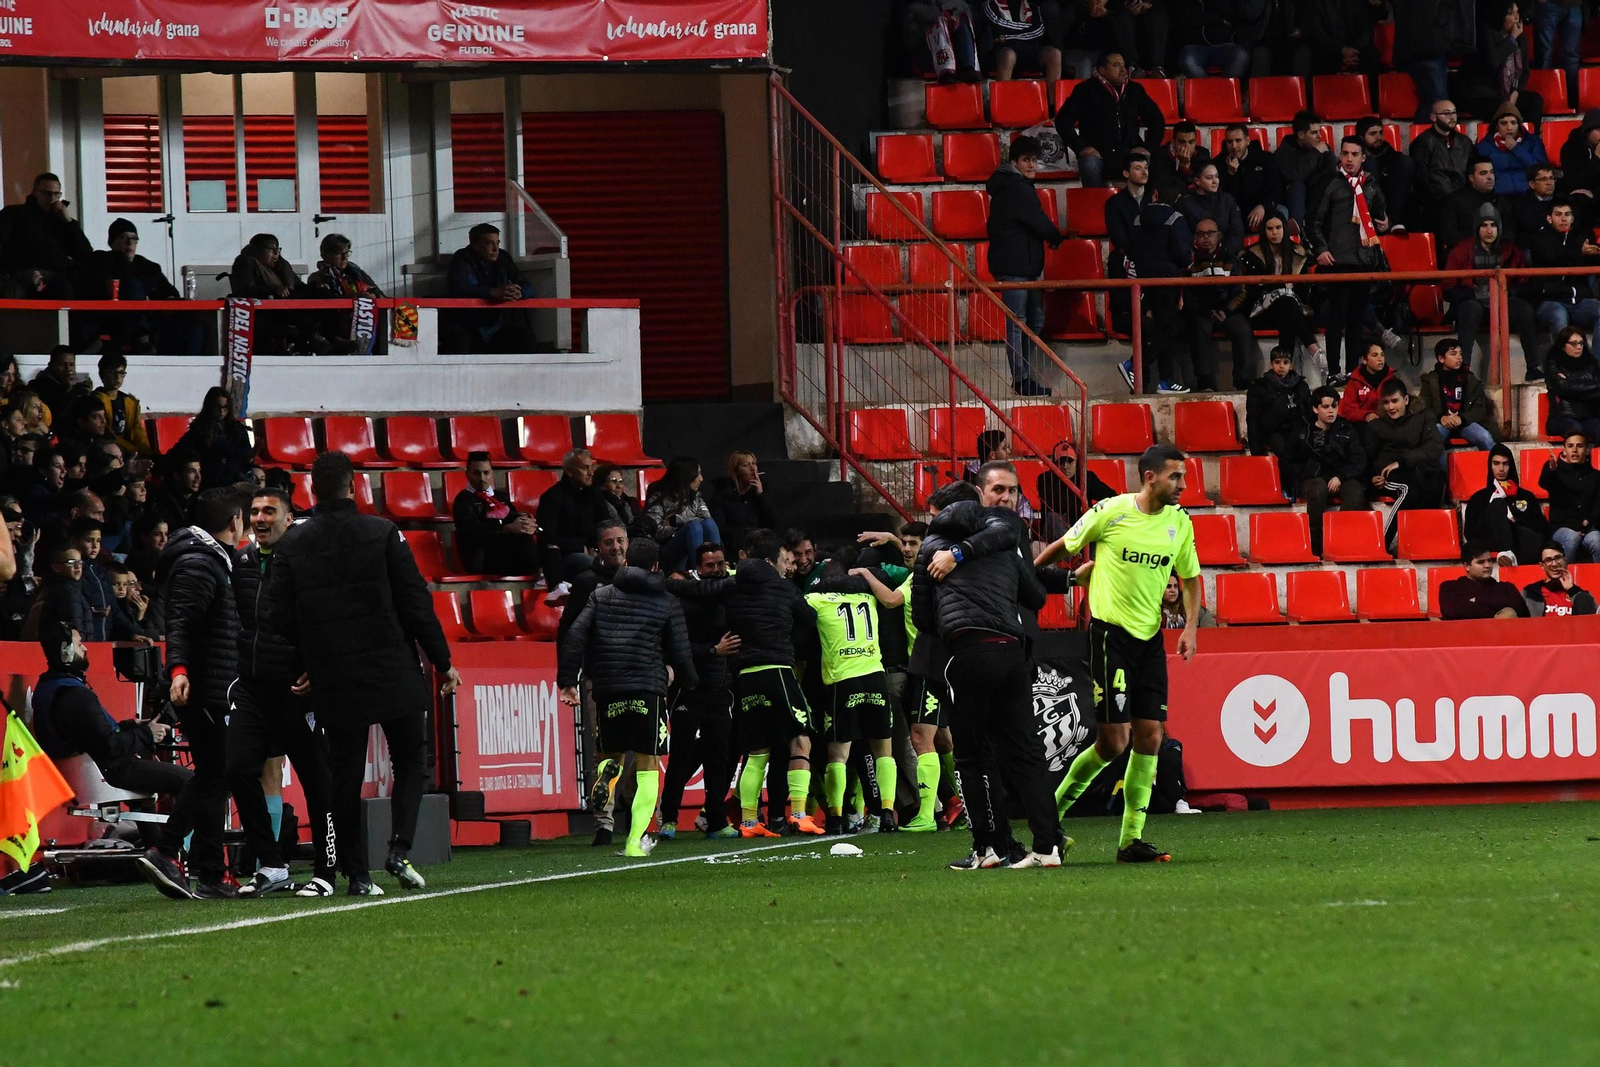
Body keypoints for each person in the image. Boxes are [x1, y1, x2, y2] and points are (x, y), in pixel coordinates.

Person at [267, 452, 461, 895]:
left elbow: (277, 618)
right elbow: (416, 603)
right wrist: (442, 660)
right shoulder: (383, 534)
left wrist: (309, 663)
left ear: (312, 490)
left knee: (346, 774)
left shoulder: (293, 545)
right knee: (411, 760)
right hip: (391, 666)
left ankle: (356, 874)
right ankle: (399, 848)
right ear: (353, 486)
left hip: (335, 676)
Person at [1038, 444, 1199, 864]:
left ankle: (1131, 839)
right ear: (1150, 477)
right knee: (1114, 742)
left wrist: (1192, 628)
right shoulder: (1110, 512)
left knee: (1151, 736)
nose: (1183, 484)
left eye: (1183, 476)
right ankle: (1048, 821)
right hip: (1110, 636)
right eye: (1175, 476)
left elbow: (1192, 578)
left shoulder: (1179, 524)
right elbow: (1063, 546)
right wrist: (1026, 583)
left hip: (1150, 640)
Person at [915, 460, 1060, 868]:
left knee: (973, 755)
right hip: (1013, 652)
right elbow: (1034, 595)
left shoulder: (931, 549)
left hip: (968, 654)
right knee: (1027, 752)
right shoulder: (1003, 544)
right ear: (979, 501)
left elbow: (922, 619)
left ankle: (990, 848)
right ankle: (1048, 847)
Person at [668, 529, 822, 839]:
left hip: (745, 676)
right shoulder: (784, 588)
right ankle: (799, 814)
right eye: (784, 560)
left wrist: (658, 581)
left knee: (756, 750)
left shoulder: (731, 585)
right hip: (777, 668)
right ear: (769, 560)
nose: (788, 566)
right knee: (801, 739)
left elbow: (693, 591)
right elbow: (811, 617)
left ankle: (750, 823)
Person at [227, 486, 339, 898]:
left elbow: (329, 619)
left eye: (270, 511)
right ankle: (272, 865)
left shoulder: (306, 562)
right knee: (237, 767)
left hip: (296, 688)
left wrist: (318, 668)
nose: (260, 518)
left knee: (316, 779)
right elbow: (241, 623)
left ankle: (328, 869)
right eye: (254, 511)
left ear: (288, 518)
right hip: (254, 686)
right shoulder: (241, 562)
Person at [558, 539, 696, 858]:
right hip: (647, 688)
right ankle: (634, 842)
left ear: (625, 563)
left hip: (608, 689)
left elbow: (575, 634)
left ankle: (607, 777)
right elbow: (680, 649)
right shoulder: (665, 600)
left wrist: (568, 680)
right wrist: (690, 681)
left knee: (610, 754)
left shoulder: (600, 595)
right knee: (649, 764)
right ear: (657, 567)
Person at [29, 623, 193, 868]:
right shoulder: (76, 696)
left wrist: (133, 726)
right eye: (78, 644)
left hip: (91, 766)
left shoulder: (49, 687)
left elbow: (94, 734)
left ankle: (154, 847)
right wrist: (148, 734)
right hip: (109, 770)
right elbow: (111, 745)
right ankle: (167, 849)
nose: (85, 648)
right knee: (192, 782)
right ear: (65, 652)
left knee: (149, 781)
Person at [148, 487, 244, 899]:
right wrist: (181, 670)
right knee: (214, 775)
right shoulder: (199, 565)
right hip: (205, 689)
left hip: (212, 685)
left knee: (215, 777)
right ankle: (166, 850)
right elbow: (182, 625)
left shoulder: (210, 561)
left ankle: (209, 871)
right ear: (234, 521)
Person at [803, 557, 907, 834]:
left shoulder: (816, 600)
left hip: (842, 682)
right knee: (884, 752)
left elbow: (792, 608)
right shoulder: (867, 597)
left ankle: (836, 818)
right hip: (875, 677)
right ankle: (886, 813)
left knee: (838, 755)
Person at [655, 541, 739, 841]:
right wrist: (713, 651)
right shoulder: (684, 598)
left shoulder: (730, 594)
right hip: (688, 689)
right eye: (710, 565)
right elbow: (678, 648)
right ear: (697, 568)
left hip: (720, 689)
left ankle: (716, 820)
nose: (716, 570)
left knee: (718, 758)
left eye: (720, 563)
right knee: (681, 756)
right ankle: (669, 819)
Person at [556, 520, 631, 846]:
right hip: (599, 678)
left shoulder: (641, 578)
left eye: (620, 541)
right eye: (608, 542)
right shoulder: (587, 583)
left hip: (640, 675)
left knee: (641, 749)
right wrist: (567, 678)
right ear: (596, 549)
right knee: (605, 750)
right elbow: (569, 632)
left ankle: (632, 808)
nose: (615, 547)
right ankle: (604, 823)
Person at [986, 134, 1065, 396]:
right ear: (1014, 162)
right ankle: (1021, 379)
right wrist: (1055, 237)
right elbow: (1038, 221)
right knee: (1017, 323)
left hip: (1024, 266)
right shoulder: (1017, 188)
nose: (1032, 165)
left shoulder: (1012, 185)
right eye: (1026, 160)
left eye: (1034, 160)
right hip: (1015, 266)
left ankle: (1023, 375)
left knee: (1034, 320)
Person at [1305, 136, 1389, 378]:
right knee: (1336, 320)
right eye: (1345, 154)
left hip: (1363, 263)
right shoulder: (1329, 183)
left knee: (1356, 322)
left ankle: (1353, 371)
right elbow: (1312, 222)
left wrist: (1385, 223)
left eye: (1354, 154)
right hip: (1337, 264)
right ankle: (1333, 372)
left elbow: (1380, 218)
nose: (1349, 158)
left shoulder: (1371, 186)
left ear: (1364, 158)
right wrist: (1321, 249)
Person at [1444, 203, 1541, 381]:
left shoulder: (1511, 250)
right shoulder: (1461, 250)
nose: (1489, 230)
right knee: (1470, 309)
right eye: (1484, 225)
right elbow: (1448, 289)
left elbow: (1526, 284)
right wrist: (1470, 294)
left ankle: (1533, 367)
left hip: (1503, 304)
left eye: (1493, 225)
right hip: (1475, 305)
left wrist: (1510, 292)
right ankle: (1463, 368)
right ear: (1477, 228)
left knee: (1524, 309)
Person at [81, 218, 201, 356]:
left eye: (134, 238)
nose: (129, 243)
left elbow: (170, 294)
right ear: (112, 241)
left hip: (153, 323)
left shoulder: (149, 267)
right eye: (123, 237)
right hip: (114, 322)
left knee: (195, 330)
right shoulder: (101, 260)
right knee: (133, 285)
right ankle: (141, 339)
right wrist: (120, 258)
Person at [1223, 214, 1319, 385]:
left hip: (1289, 311)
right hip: (1259, 312)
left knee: (1287, 314)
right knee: (1286, 304)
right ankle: (1312, 348)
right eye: (1270, 229)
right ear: (1263, 231)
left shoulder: (1298, 253)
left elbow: (1305, 293)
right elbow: (1249, 293)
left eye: (1278, 228)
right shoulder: (1251, 256)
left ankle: (1280, 374)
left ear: (1284, 229)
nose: (1274, 232)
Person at [1116, 186, 1194, 394]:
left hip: (1144, 280)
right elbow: (1182, 256)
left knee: (1162, 329)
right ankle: (1134, 364)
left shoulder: (1138, 218)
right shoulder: (1176, 218)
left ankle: (1166, 380)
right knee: (1169, 328)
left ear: (1155, 193)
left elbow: (1131, 249)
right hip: (1167, 281)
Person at [1053, 51, 1165, 188]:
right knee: (1089, 165)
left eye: (1124, 65)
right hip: (1099, 153)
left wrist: (1148, 147)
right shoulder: (1084, 90)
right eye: (1116, 65)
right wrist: (1080, 147)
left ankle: (1145, 205)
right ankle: (1095, 205)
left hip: (1129, 151)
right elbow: (1063, 121)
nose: (1124, 70)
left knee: (1154, 160)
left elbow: (1157, 119)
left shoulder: (1135, 90)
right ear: (1102, 70)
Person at [1290, 386, 1370, 556]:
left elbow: (1359, 460)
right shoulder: (1304, 431)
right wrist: (1304, 474)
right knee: (1318, 489)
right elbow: (1290, 461)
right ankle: (1316, 547)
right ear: (1315, 409)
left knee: (1356, 492)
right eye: (1325, 407)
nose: (1331, 411)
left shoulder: (1347, 429)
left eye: (1334, 406)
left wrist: (1340, 476)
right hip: (1312, 478)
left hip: (1341, 477)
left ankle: (1339, 541)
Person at [1365, 379, 1445, 547]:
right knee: (1408, 490)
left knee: (1435, 484)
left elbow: (1434, 448)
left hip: (1419, 469)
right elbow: (1368, 457)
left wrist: (1402, 461)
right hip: (1389, 474)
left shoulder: (1424, 417)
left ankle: (1421, 543)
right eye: (1386, 402)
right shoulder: (1376, 425)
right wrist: (1372, 476)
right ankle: (1382, 543)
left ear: (1406, 400)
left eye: (1395, 401)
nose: (1390, 407)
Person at [442, 222, 534, 355]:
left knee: (525, 337)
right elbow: (459, 289)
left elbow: (527, 285)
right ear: (474, 244)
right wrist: (493, 293)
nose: (496, 249)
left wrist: (520, 292)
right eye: (489, 243)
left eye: (498, 242)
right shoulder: (462, 258)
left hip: (495, 327)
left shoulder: (503, 258)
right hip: (467, 326)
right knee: (458, 341)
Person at [0, 173, 92, 298]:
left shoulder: (62, 222)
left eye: (56, 194)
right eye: (47, 193)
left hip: (59, 274)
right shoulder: (14, 215)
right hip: (24, 272)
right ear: (35, 192)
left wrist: (68, 222)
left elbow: (85, 254)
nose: (52, 198)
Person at [451, 451, 539, 575]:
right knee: (524, 541)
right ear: (467, 474)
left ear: (491, 473)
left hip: (506, 552)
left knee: (543, 540)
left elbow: (513, 518)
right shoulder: (463, 499)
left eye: (486, 473)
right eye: (476, 473)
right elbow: (473, 532)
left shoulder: (500, 496)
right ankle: (540, 575)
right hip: (482, 556)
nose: (482, 478)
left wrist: (526, 523)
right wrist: (506, 528)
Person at [1528, 198, 1600, 348]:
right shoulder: (1538, 239)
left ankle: (1595, 365)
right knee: (1558, 317)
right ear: (1549, 218)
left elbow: (1592, 260)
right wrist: (1579, 252)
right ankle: (1563, 366)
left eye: (1567, 214)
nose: (1563, 219)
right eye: (1558, 214)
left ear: (1572, 218)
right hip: (1550, 301)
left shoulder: (1582, 238)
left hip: (1580, 301)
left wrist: (1595, 253)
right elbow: (1551, 255)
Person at [1177, 216, 1239, 392]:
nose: (1206, 237)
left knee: (1242, 330)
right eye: (1201, 234)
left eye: (1210, 233)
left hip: (1227, 311)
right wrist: (1206, 310)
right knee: (1197, 329)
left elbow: (1240, 290)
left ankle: (1242, 381)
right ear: (1195, 238)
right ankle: (1205, 382)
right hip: (1201, 312)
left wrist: (1227, 310)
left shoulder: (1230, 259)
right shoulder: (1188, 262)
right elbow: (1187, 295)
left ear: (1218, 235)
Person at [1464, 444, 1548, 564]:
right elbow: (1470, 532)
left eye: (1505, 463)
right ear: (1490, 466)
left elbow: (1540, 527)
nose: (1501, 468)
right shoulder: (1479, 498)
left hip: (1520, 541)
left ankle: (1511, 554)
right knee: (1498, 503)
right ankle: (1507, 551)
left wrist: (1515, 519)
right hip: (1490, 541)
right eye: (1496, 463)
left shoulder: (1526, 496)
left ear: (1511, 466)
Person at [230, 233, 312, 354]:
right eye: (271, 249)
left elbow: (299, 286)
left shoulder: (281, 266)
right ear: (257, 250)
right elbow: (245, 289)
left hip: (287, 310)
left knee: (317, 293)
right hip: (265, 313)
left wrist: (316, 286)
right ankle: (314, 336)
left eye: (278, 249)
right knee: (293, 297)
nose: (276, 254)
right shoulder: (246, 262)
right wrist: (273, 289)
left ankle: (329, 337)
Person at [536, 447, 601, 597]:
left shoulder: (594, 493)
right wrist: (580, 547)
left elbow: (604, 523)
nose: (591, 472)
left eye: (591, 467)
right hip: (565, 556)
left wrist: (594, 545)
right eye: (585, 468)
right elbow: (547, 536)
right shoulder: (552, 497)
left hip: (594, 550)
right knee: (593, 565)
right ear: (570, 471)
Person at [305, 232, 385, 354]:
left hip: (368, 317)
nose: (345, 258)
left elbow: (377, 292)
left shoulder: (356, 273)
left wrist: (374, 296)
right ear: (325, 255)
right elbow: (328, 305)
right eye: (339, 254)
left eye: (347, 253)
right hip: (341, 323)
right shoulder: (318, 277)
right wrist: (354, 298)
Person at [1419, 337, 1498, 455]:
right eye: (1453, 354)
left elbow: (1480, 409)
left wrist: (1461, 418)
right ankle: (1442, 473)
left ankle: (1494, 469)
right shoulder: (1430, 381)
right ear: (1441, 358)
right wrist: (1441, 417)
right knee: (1433, 441)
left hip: (1464, 422)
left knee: (1484, 437)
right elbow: (1425, 407)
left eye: (1460, 353)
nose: (1459, 357)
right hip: (1441, 422)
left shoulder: (1470, 379)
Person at [644, 456, 721, 575]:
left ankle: (719, 567)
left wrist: (675, 520)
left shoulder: (696, 498)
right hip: (667, 552)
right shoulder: (659, 497)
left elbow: (706, 520)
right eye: (698, 474)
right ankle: (699, 572)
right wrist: (681, 530)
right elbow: (655, 531)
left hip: (690, 546)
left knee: (708, 524)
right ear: (687, 476)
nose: (701, 479)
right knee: (694, 527)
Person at [1104, 148, 1153, 333]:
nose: (1144, 172)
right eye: (1138, 168)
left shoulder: (1155, 199)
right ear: (1126, 173)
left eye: (1146, 168)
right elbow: (1119, 238)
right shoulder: (1114, 204)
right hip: (1131, 260)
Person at [169, 387, 255, 490]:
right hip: (208, 481)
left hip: (233, 478)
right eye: (217, 407)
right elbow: (181, 451)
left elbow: (245, 452)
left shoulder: (237, 428)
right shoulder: (199, 429)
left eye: (225, 408)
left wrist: (217, 444)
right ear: (209, 407)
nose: (221, 411)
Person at [1410, 99, 1474, 232]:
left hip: (1463, 198)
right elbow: (1422, 178)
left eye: (1454, 113)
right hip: (1437, 200)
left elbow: (1472, 170)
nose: (1452, 117)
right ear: (1433, 117)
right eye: (1446, 113)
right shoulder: (1423, 142)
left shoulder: (1465, 142)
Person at [1036, 438, 1116, 539]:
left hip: (1081, 527)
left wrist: (1095, 510)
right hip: (1056, 532)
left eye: (1070, 461)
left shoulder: (1087, 477)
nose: (1065, 466)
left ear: (1076, 462)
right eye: (1061, 462)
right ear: (1054, 464)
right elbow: (1057, 506)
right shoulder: (1045, 479)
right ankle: (1076, 550)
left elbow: (1112, 496)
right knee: (1054, 517)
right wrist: (1082, 508)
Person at [1540, 431, 1600, 561]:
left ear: (1587, 450)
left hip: (1588, 527)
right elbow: (1544, 482)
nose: (1574, 450)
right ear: (1564, 449)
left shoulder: (1596, 476)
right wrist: (1551, 469)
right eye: (1570, 446)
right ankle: (1563, 578)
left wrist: (1586, 524)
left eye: (1579, 446)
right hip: (1562, 527)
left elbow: (1597, 507)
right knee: (1572, 537)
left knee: (1597, 540)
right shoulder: (1556, 471)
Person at [1245, 347, 1312, 461]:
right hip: (1273, 431)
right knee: (1285, 453)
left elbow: (1309, 412)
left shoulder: (1301, 385)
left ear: (1291, 365)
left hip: (1298, 429)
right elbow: (1253, 419)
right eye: (1277, 362)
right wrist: (1256, 451)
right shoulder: (1259, 387)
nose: (1281, 366)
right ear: (1271, 365)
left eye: (1285, 362)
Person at [707, 450, 777, 557]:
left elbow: (772, 523)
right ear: (736, 471)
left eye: (754, 464)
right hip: (736, 546)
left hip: (760, 543)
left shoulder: (760, 492)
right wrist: (745, 533)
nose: (753, 469)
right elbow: (720, 528)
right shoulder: (723, 496)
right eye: (746, 465)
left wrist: (761, 496)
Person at [1216, 123, 1282, 235]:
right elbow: (1225, 198)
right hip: (1236, 211)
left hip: (1262, 207)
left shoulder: (1266, 159)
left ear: (1247, 141)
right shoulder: (1218, 164)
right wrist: (1231, 174)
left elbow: (1275, 188)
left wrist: (1263, 206)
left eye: (1238, 141)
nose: (1234, 146)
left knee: (1281, 211)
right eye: (1229, 142)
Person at [1438, 540, 1530, 619]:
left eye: (1489, 560)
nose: (1488, 566)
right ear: (1467, 566)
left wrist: (1479, 600)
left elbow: (1520, 608)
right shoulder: (1450, 587)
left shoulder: (1506, 588)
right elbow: (1455, 611)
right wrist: (1497, 614)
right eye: (1481, 562)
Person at [1173, 0, 1267, 78]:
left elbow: (1232, 13)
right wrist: (1216, 20)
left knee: (1241, 56)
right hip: (1195, 45)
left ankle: (1223, 91)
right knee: (1187, 60)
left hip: (1224, 44)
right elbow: (1186, 17)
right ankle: (1210, 90)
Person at [1441, 160, 1518, 254]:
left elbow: (1509, 232)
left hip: (1497, 252)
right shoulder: (1455, 200)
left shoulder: (1502, 201)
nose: (1490, 177)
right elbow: (1449, 233)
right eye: (1483, 173)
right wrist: (1478, 246)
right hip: (1464, 253)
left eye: (1492, 172)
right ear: (1471, 178)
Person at [1274, 111, 1335, 226]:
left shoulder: (1323, 148)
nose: (1320, 136)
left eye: (1319, 131)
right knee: (1297, 186)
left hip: (1316, 196)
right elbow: (1294, 175)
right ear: (1301, 135)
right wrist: (1315, 153)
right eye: (1314, 133)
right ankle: (1300, 231)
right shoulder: (1284, 152)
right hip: (1292, 201)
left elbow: (1331, 172)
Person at [980, 0, 1062, 85]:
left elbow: (1038, 32)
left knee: (1054, 54)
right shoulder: (990, 5)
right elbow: (998, 26)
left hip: (1028, 49)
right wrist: (1027, 30)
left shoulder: (1033, 7)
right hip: (1002, 50)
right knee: (1008, 56)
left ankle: (1052, 98)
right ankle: (1003, 97)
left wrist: (1007, 37)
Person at [1355, 117, 1414, 232]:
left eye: (1381, 133)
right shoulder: (1355, 155)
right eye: (1373, 134)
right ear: (1361, 137)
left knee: (1406, 162)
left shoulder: (1389, 152)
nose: (1379, 138)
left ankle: (1394, 222)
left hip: (1393, 203)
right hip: (1370, 205)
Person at [902, 0, 981, 82]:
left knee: (963, 19)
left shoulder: (958, 4)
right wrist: (934, 27)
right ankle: (946, 70)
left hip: (956, 57)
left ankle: (967, 68)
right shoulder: (913, 9)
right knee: (939, 25)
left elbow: (974, 27)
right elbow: (911, 43)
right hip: (929, 57)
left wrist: (952, 20)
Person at [92, 353, 154, 458]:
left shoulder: (130, 402)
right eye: (113, 372)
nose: (117, 377)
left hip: (130, 450)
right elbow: (107, 433)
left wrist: (146, 452)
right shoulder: (95, 400)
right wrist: (133, 450)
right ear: (102, 374)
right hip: (107, 448)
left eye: (121, 373)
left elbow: (138, 432)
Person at [1178, 161, 1244, 258]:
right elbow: (1181, 236)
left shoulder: (1227, 200)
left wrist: (1222, 252)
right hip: (1194, 259)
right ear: (1197, 181)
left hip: (1225, 256)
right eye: (1209, 177)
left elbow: (1237, 232)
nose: (1215, 181)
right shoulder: (1185, 203)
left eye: (1216, 176)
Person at [1477, 105, 1548, 195]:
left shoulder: (1533, 141)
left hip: (1528, 194)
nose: (1509, 128)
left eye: (1513, 123)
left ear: (1519, 125)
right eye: (1504, 123)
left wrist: (1517, 149)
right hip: (1498, 196)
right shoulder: (1486, 144)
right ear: (1496, 126)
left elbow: (1541, 170)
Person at [1544, 327, 1600, 440]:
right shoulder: (1553, 362)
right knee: (1575, 430)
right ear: (1563, 344)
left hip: (1588, 416)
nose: (1579, 347)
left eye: (1581, 343)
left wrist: (1569, 382)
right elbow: (1561, 388)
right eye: (1574, 343)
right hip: (1562, 417)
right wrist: (1591, 387)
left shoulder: (1591, 363)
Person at [1522, 541, 1597, 616]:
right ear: (1542, 565)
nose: (1554, 564)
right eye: (1548, 560)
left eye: (1558, 558)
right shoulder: (1529, 593)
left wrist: (1572, 590)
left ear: (1565, 560)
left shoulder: (1582, 596)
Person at [1150, 121, 1213, 207]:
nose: (1186, 147)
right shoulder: (1159, 156)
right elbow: (1168, 193)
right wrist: (1183, 167)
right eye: (1182, 142)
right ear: (1173, 142)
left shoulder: (1202, 154)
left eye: (1191, 142)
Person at [29, 346, 88, 425]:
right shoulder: (38, 386)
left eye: (71, 364)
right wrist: (66, 390)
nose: (68, 369)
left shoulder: (78, 386)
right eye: (62, 364)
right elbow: (53, 417)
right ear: (51, 365)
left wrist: (87, 394)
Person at [1337, 343, 1396, 422]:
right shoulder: (1355, 381)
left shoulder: (1392, 379)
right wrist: (1365, 415)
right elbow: (1348, 410)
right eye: (1375, 355)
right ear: (1364, 360)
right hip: (1362, 424)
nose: (1380, 359)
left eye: (1382, 355)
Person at [150, 451, 201, 532]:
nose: (198, 476)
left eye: (199, 471)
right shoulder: (160, 501)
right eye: (192, 471)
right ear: (177, 476)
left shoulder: (203, 501)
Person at [1557, 107, 1600, 199]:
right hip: (1581, 195)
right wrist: (1596, 158)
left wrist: (1595, 194)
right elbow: (1575, 182)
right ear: (1588, 131)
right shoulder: (1570, 148)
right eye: (1599, 130)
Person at [1510, 163, 1560, 239]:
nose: (1549, 183)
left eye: (1551, 178)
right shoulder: (1521, 205)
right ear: (1532, 184)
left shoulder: (1563, 201)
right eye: (1543, 179)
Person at [593, 465, 645, 533]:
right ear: (602, 485)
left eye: (620, 481)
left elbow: (642, 520)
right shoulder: (598, 504)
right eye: (613, 481)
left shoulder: (631, 502)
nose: (619, 486)